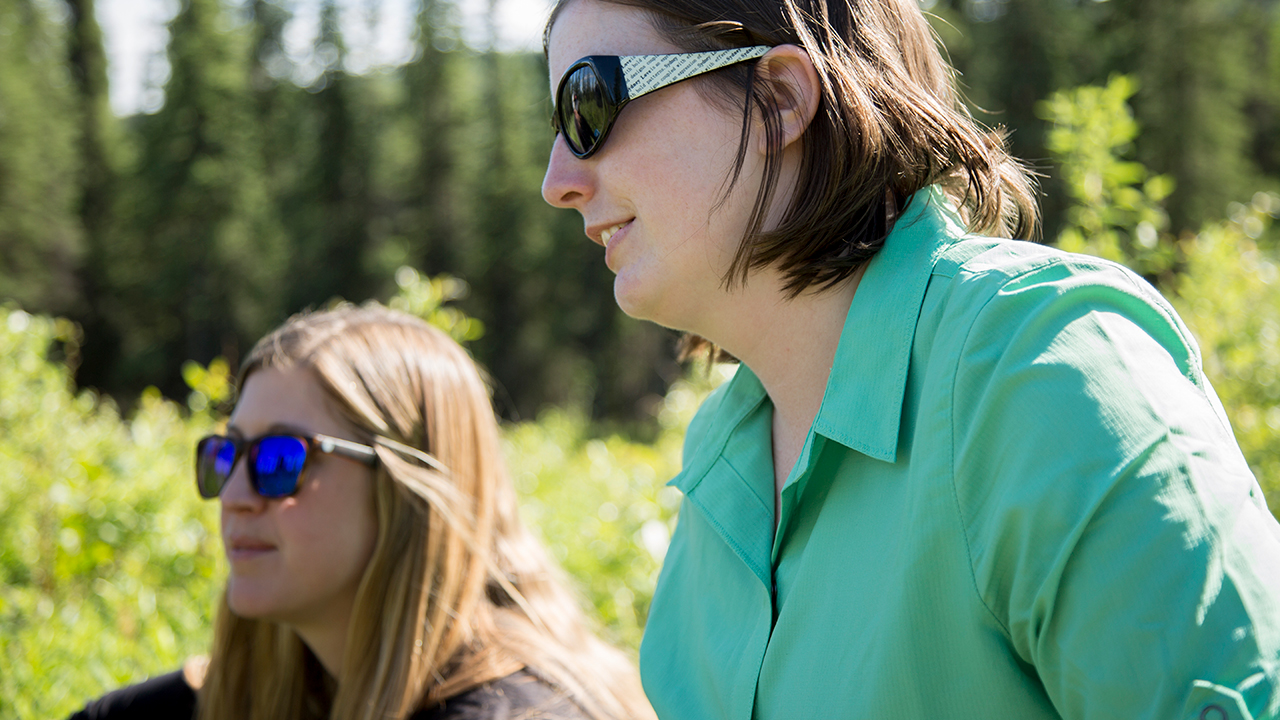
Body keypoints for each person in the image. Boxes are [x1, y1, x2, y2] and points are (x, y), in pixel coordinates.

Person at [539, 0, 1280, 718]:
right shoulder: (719, 460)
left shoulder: (1044, 367)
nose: (557, 183)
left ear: (778, 100)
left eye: (589, 107)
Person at [69, 305, 655, 720]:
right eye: (226, 455)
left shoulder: (518, 711)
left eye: (280, 458)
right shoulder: (286, 679)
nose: (234, 495)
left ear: (406, 488)